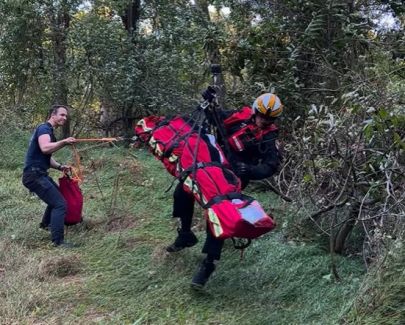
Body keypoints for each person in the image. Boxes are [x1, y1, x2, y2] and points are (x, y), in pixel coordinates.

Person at [166, 91, 283, 289]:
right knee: (182, 191)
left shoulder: (270, 137)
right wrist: (209, 103)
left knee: (218, 214)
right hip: (212, 163)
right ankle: (185, 234)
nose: (263, 122)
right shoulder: (239, 116)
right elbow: (216, 117)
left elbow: (271, 165)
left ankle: (209, 263)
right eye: (261, 116)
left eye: (268, 119)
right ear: (255, 111)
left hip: (233, 178)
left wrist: (251, 170)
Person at [22, 105, 76, 248]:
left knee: (58, 197)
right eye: (62, 115)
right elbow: (45, 148)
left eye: (66, 116)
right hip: (34, 175)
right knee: (60, 204)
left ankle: (45, 225)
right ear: (53, 115)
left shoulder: (48, 131)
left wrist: (60, 166)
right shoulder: (44, 129)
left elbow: (45, 157)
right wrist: (64, 142)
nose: (64, 118)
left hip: (39, 173)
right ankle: (58, 242)